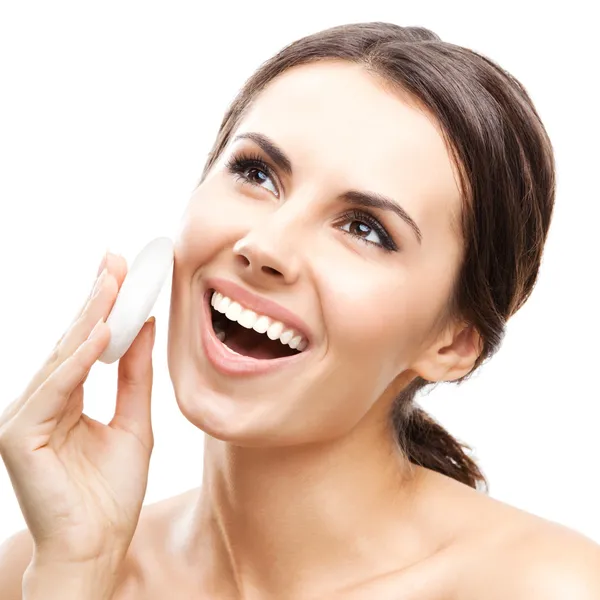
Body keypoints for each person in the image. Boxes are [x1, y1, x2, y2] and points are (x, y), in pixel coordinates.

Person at [1, 21, 599, 600]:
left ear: (452, 344)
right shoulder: (44, 565)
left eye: (365, 229)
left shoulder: (545, 588)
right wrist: (76, 573)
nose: (265, 246)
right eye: (256, 173)